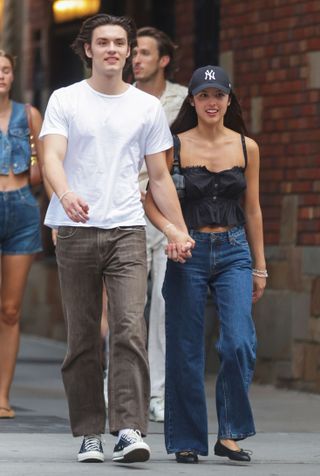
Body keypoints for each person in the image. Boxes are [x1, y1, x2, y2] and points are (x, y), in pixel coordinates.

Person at [40, 13, 193, 464]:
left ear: (129, 52)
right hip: (75, 230)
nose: (112, 49)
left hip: (127, 228)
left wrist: (178, 229)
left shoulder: (145, 107)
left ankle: (129, 429)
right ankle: (89, 433)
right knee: (84, 336)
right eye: (102, 42)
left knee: (130, 329)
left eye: (119, 43)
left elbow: (160, 177)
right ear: (88, 50)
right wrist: (64, 194)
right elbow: (51, 156)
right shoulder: (66, 100)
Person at [144, 65, 267, 463]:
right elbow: (150, 198)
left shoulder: (247, 146)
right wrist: (170, 231)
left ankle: (229, 434)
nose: (211, 102)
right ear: (192, 101)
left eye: (218, 95)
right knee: (184, 346)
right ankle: (187, 439)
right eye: (203, 95)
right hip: (189, 250)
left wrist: (259, 267)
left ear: (229, 100)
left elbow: (253, 209)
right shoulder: (173, 144)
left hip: (233, 249)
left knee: (238, 342)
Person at [132, 26, 187, 423]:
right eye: (134, 52)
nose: (136, 59)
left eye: (144, 53)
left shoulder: (184, 100)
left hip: (167, 212)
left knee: (165, 306)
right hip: (126, 210)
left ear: (163, 59)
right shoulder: (120, 96)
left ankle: (158, 393)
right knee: (128, 305)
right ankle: (119, 383)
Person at [0, 50, 43, 419]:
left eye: (6, 69)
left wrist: (31, 167)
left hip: (23, 211)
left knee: (11, 310)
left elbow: (46, 167)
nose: (0, 75)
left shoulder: (29, 115)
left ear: (14, 75)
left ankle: (2, 396)